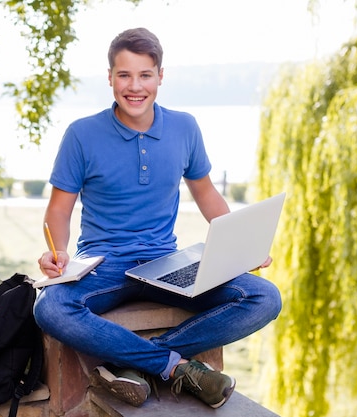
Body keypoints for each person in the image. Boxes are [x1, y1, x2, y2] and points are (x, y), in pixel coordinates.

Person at [34, 27, 282, 409]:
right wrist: (58, 251)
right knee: (49, 307)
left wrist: (241, 248)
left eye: (145, 74)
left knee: (264, 296)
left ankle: (135, 362)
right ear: (110, 78)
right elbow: (59, 208)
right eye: (124, 75)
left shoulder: (184, 128)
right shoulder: (81, 135)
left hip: (165, 261)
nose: (135, 86)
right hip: (103, 264)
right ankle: (175, 367)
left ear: (160, 77)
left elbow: (206, 193)